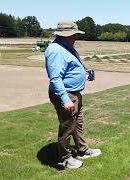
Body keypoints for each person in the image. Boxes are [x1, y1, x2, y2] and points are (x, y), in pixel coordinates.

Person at [45, 20, 101, 169]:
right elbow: (55, 78)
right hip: (66, 94)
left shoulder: (68, 47)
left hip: (75, 93)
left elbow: (72, 66)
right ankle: (64, 158)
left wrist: (85, 72)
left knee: (77, 124)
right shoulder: (55, 50)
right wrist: (65, 100)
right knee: (67, 126)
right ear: (66, 35)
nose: (77, 36)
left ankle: (82, 150)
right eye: (75, 34)